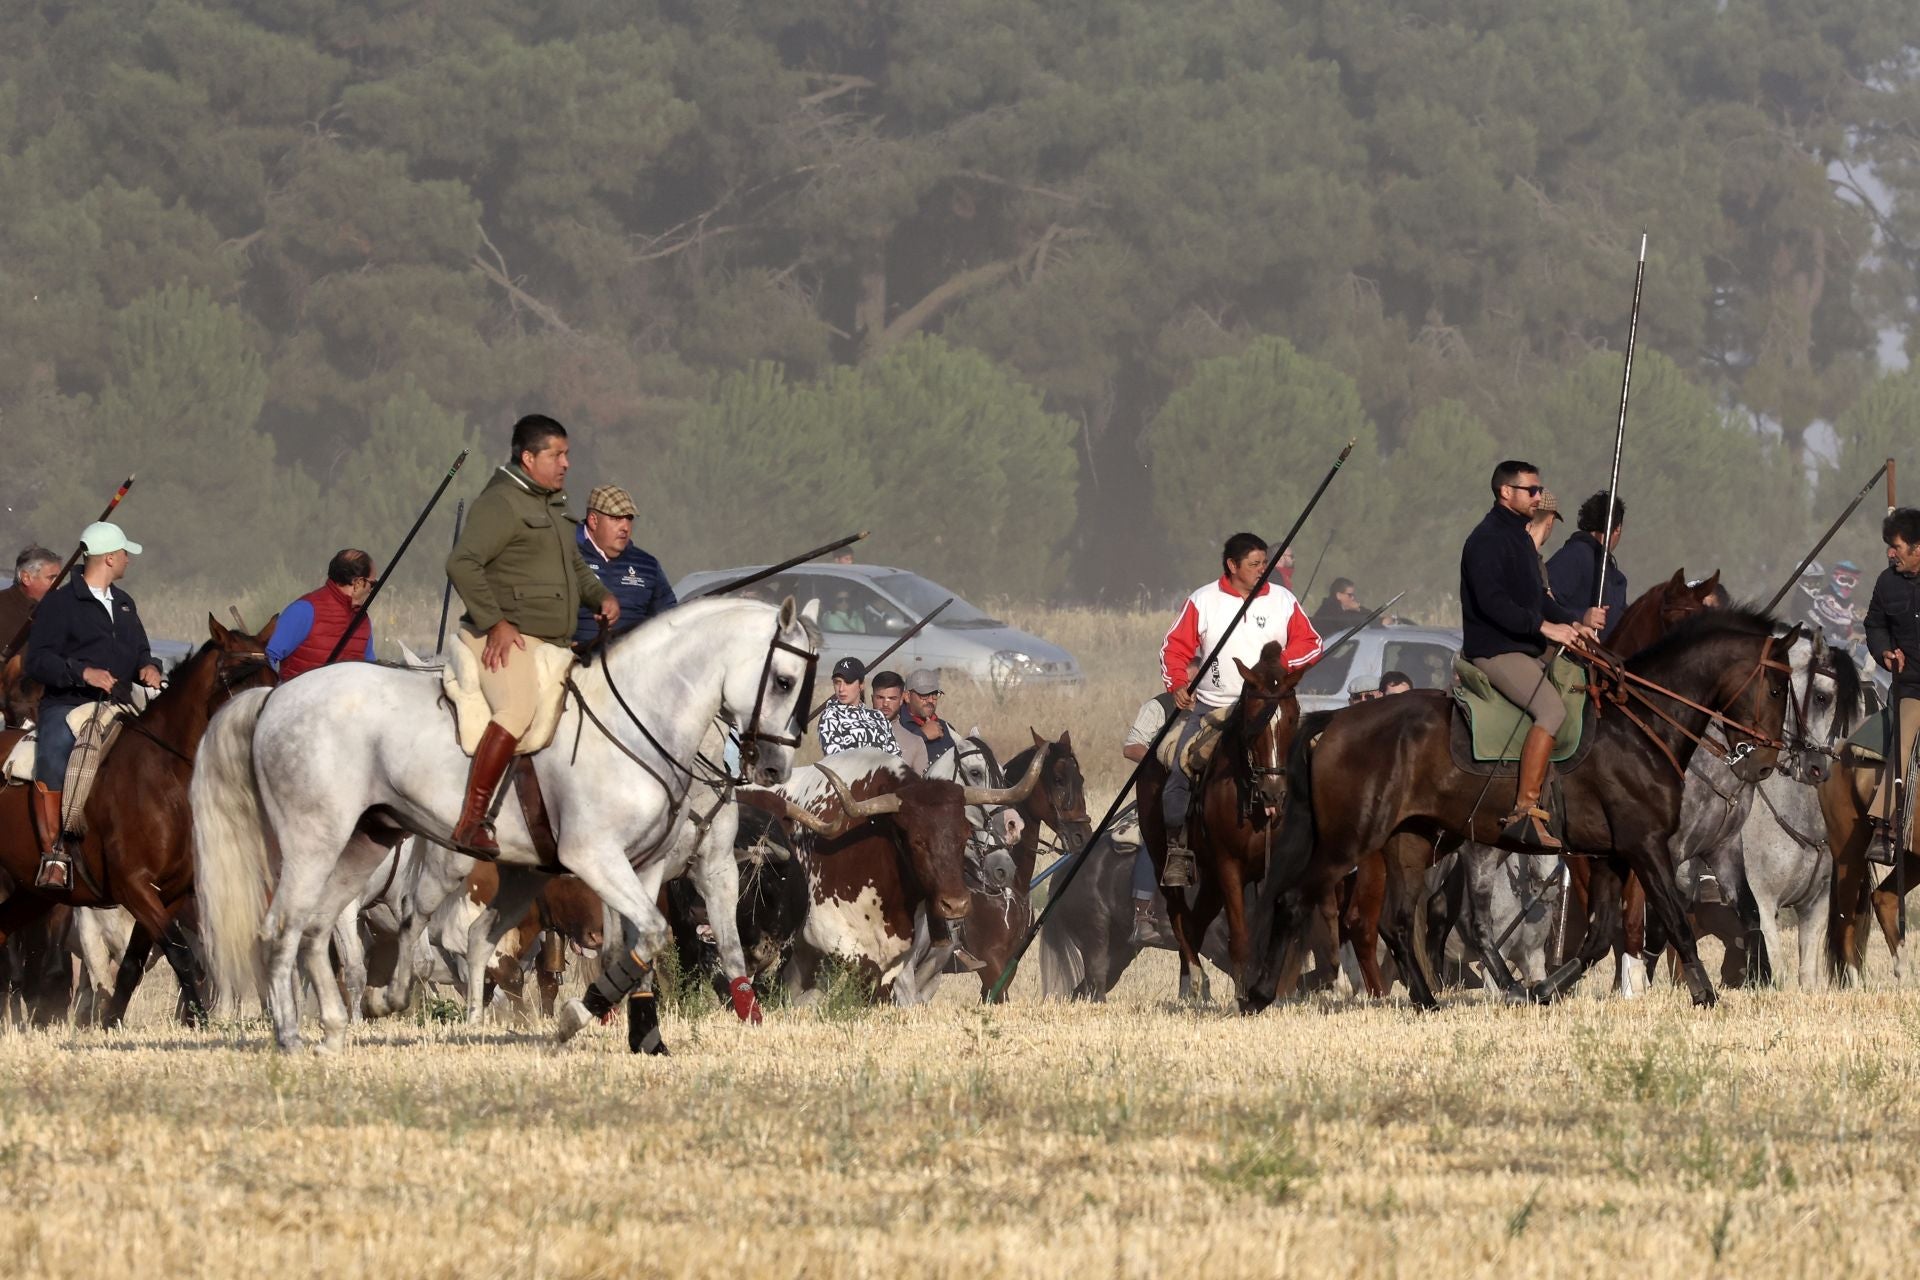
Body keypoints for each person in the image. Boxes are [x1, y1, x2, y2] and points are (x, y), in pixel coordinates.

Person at [445, 414, 618, 853]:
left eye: (567, 454)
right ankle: (473, 820)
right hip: (504, 636)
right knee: (518, 708)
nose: (566, 463)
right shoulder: (501, 503)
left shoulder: (553, 503)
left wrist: (600, 597)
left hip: (551, 643)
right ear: (528, 457)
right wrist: (496, 622)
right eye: (556, 454)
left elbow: (575, 568)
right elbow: (461, 563)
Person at [1157, 533, 1323, 884]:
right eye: (1254, 564)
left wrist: (1279, 666)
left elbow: (1312, 643)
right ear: (1232, 566)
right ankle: (1178, 848)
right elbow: (1174, 648)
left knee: (1317, 764)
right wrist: (1177, 683)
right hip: (1215, 708)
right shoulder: (1203, 600)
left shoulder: (1282, 599)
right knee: (1180, 770)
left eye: (1265, 562)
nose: (1263, 569)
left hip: (1273, 707)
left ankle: (1319, 847)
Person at [1462, 461, 1601, 849]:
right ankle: (1524, 812)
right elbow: (1494, 604)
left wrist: (1573, 625)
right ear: (1506, 492)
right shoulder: (1485, 540)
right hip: (1496, 650)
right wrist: (1543, 627)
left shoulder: (1520, 539)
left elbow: (1538, 598)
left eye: (1540, 490)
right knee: (1552, 710)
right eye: (1532, 491)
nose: (1539, 498)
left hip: (1527, 646)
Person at [21, 522, 160, 890]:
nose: (128, 559)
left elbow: (141, 651)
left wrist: (149, 666)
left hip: (118, 705)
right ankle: (55, 854)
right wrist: (83, 673)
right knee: (51, 756)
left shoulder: (126, 604)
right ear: (110, 557)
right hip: (66, 705)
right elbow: (39, 661)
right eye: (124, 553)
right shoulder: (59, 603)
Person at [1865, 507, 1920, 865]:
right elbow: (1874, 625)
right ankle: (1885, 827)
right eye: (1889, 546)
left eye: (1896, 546)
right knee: (1903, 738)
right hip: (1912, 688)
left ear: (1918, 547)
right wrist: (1884, 651)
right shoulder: (1886, 583)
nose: (1890, 553)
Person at [571, 484, 675, 647]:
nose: (625, 527)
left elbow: (670, 619)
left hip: (633, 665)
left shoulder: (647, 565)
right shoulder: (565, 554)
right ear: (593, 520)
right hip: (573, 663)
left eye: (629, 518)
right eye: (616, 518)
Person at [266, 549, 377, 679]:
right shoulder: (304, 610)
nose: (370, 591)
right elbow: (268, 657)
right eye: (372, 584)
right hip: (301, 697)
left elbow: (370, 670)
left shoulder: (362, 621)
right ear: (358, 583)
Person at [1546, 492, 1627, 644]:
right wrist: (1581, 616)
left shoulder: (1615, 575)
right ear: (1617, 528)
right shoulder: (1576, 554)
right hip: (1570, 655)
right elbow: (1539, 599)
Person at [816, 657, 900, 756]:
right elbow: (836, 760)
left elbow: (895, 759)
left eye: (848, 682)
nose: (841, 689)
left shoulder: (878, 716)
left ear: (861, 685)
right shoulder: (831, 715)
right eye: (837, 682)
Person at [0, 544, 60, 663]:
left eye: (58, 579)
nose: (57, 585)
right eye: (51, 578)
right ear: (26, 577)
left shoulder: (56, 611)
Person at [896, 669, 959, 768]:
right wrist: (921, 735)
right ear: (907, 696)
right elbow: (888, 762)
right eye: (924, 695)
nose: (930, 700)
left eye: (934, 694)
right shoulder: (894, 723)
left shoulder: (947, 729)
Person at [870, 670, 926, 772]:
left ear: (901, 700)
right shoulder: (856, 734)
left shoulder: (915, 743)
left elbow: (921, 786)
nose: (885, 704)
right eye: (880, 697)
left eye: (892, 698)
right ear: (872, 698)